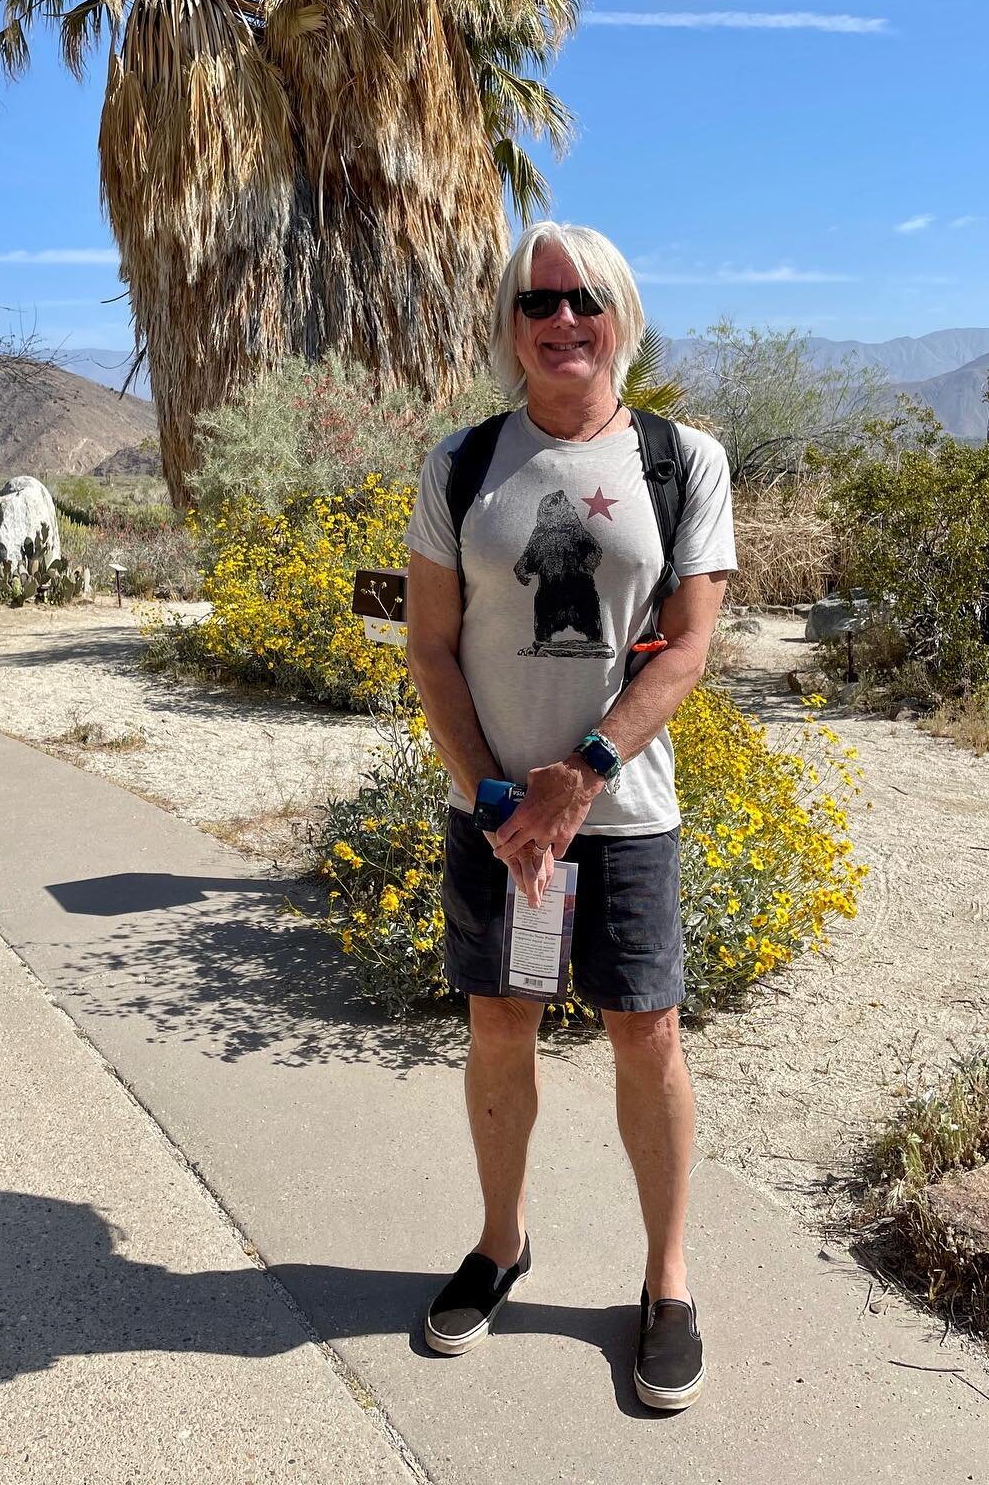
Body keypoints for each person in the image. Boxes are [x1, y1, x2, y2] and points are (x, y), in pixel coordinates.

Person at [404, 221, 736, 1410]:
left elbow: (690, 646)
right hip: (494, 818)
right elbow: (432, 648)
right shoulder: (460, 465)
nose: (562, 320)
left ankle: (666, 1280)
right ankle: (502, 1244)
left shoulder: (681, 458)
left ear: (620, 314)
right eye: (538, 301)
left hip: (626, 811)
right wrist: (502, 798)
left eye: (584, 298)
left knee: (646, 1035)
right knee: (501, 1026)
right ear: (509, 323)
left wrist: (577, 776)